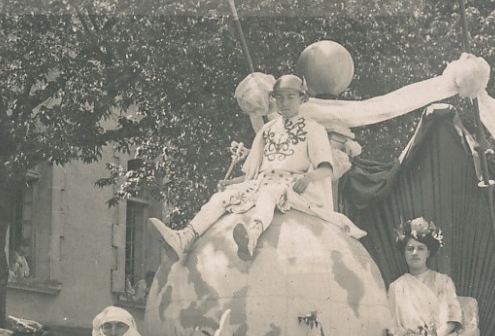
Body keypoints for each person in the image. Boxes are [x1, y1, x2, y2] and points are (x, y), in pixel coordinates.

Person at [150, 74, 364, 261]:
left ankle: (252, 236)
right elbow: (252, 173)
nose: (285, 102)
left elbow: (326, 169)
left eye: (290, 97)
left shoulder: (313, 129)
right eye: (279, 97)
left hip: (295, 187)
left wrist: (307, 178)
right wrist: (230, 183)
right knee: (221, 198)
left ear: (302, 98)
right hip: (262, 182)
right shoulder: (268, 130)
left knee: (268, 195)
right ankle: (184, 237)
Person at [387, 218, 487, 336]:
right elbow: (391, 324)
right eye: (410, 248)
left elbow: (452, 318)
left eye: (420, 248)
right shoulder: (396, 287)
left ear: (428, 252)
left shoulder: (443, 281)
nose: (415, 253)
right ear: (404, 252)